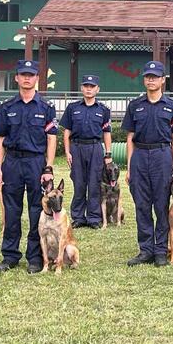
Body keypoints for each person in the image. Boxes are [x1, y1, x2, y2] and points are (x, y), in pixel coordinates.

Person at [0, 60, 57, 273]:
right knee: (12, 210)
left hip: (36, 162)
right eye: (23, 74)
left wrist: (49, 167)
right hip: (12, 163)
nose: (27, 78)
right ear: (16, 78)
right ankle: (10, 256)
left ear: (37, 78)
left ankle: (35, 257)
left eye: (31, 75)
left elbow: (51, 139)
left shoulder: (45, 108)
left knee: (37, 210)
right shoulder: (7, 108)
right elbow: (0, 138)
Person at [122, 61, 173, 267]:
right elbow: (130, 138)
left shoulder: (172, 106)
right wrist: (130, 167)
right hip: (140, 155)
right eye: (148, 76)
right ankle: (146, 249)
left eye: (155, 77)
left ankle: (160, 250)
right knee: (142, 205)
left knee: (161, 204)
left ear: (163, 80)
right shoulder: (135, 105)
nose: (151, 80)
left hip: (162, 156)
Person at [61, 75, 113, 229]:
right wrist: (67, 152)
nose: (89, 89)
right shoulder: (73, 108)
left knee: (95, 183)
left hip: (95, 148)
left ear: (97, 89)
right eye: (86, 86)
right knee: (79, 183)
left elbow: (107, 133)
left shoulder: (103, 110)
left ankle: (94, 218)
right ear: (82, 88)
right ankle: (78, 217)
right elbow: (66, 132)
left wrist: (108, 154)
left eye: (92, 86)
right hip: (76, 148)